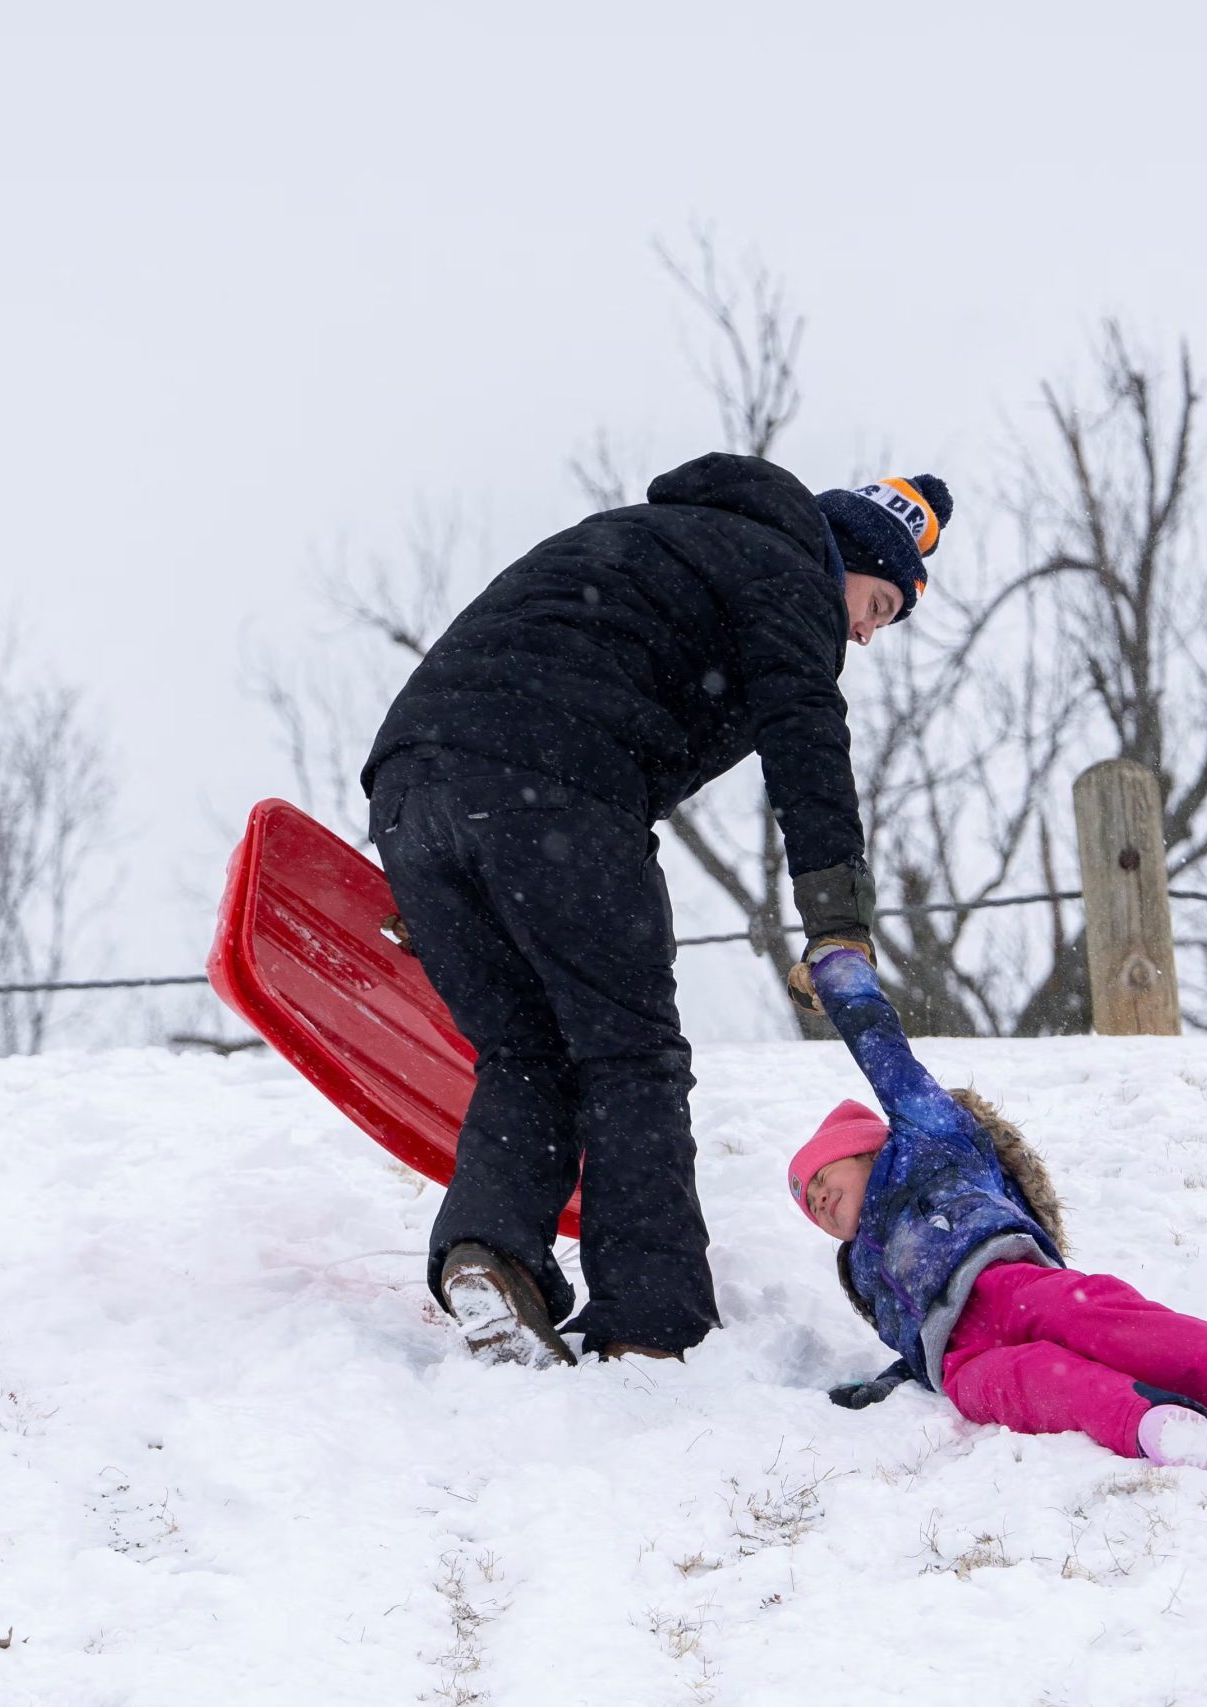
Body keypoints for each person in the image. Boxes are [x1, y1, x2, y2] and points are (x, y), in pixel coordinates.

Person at [363, 454, 953, 1366]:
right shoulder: (791, 571)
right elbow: (807, 739)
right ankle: (652, 1325)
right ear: (850, 561)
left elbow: (490, 662)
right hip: (553, 790)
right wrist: (837, 918)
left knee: (526, 1047)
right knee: (630, 1054)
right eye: (877, 608)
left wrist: (439, 867)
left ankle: (491, 1255)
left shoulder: (649, 536)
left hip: (408, 790)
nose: (868, 636)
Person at [789, 943, 1207, 1466]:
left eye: (820, 1178)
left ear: (865, 1150)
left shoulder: (927, 1143)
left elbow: (882, 1049)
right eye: (811, 1207)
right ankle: (1151, 1425)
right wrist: (890, 1382)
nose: (819, 1200)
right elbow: (910, 1343)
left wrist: (841, 975)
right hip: (959, 1361)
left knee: (1103, 1322)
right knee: (1035, 1384)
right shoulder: (863, 1268)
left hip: (1004, 1281)